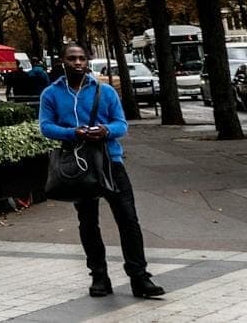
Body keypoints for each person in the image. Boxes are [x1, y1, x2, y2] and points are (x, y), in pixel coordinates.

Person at [40, 43, 166, 300]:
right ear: (62, 61)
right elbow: (45, 126)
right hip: (78, 165)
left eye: (82, 58)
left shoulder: (104, 91)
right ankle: (99, 276)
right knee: (88, 222)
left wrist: (105, 131)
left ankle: (139, 277)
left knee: (128, 220)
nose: (77, 63)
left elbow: (121, 124)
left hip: (110, 162)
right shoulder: (50, 94)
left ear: (88, 62)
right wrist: (71, 133)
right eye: (72, 58)